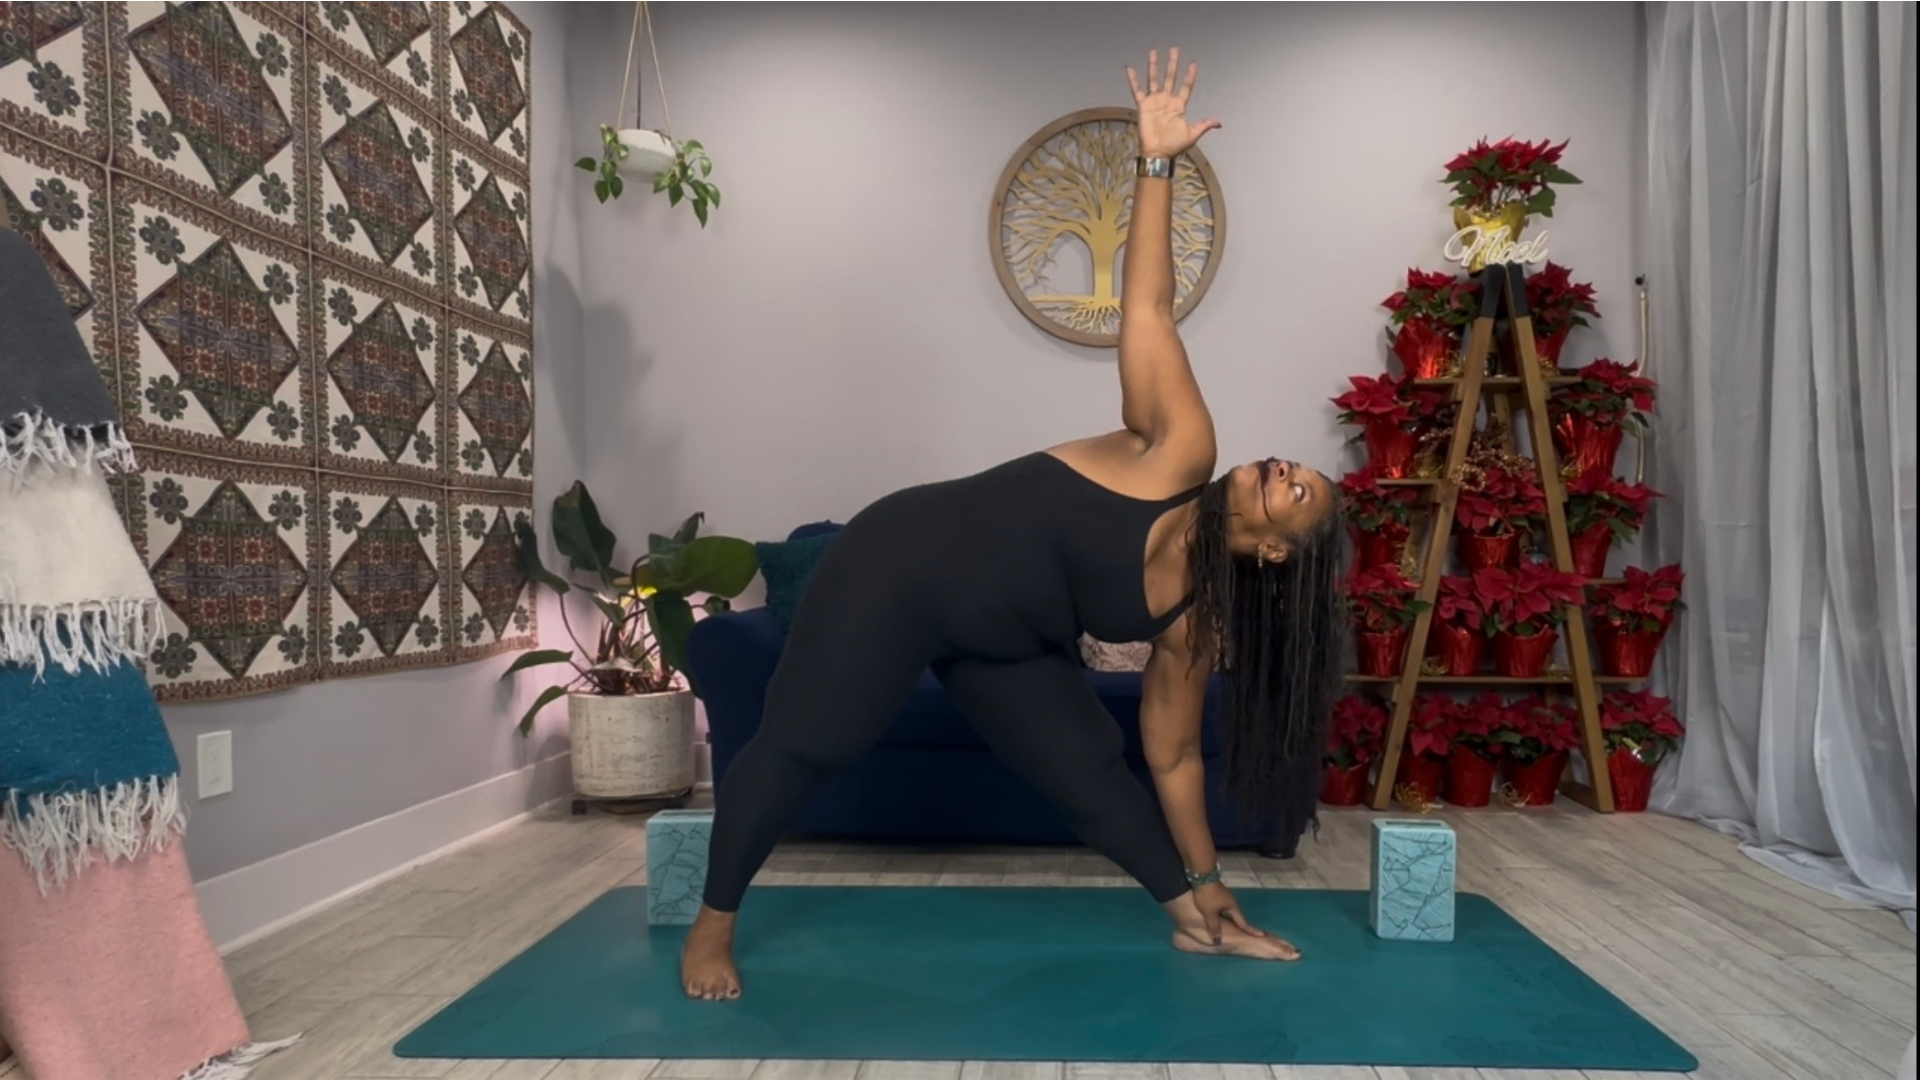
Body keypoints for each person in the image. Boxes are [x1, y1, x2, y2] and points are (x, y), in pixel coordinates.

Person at [682, 48, 1350, 1001]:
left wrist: (1213, 883)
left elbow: (1171, 756)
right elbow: (1150, 305)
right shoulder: (1179, 451)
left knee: (1091, 772)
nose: (1285, 468)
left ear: (1277, 548)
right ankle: (712, 930)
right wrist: (1155, 162)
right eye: (1290, 464)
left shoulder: (1195, 622)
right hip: (898, 565)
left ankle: (1198, 924)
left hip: (1006, 639)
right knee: (806, 746)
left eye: (1299, 491)